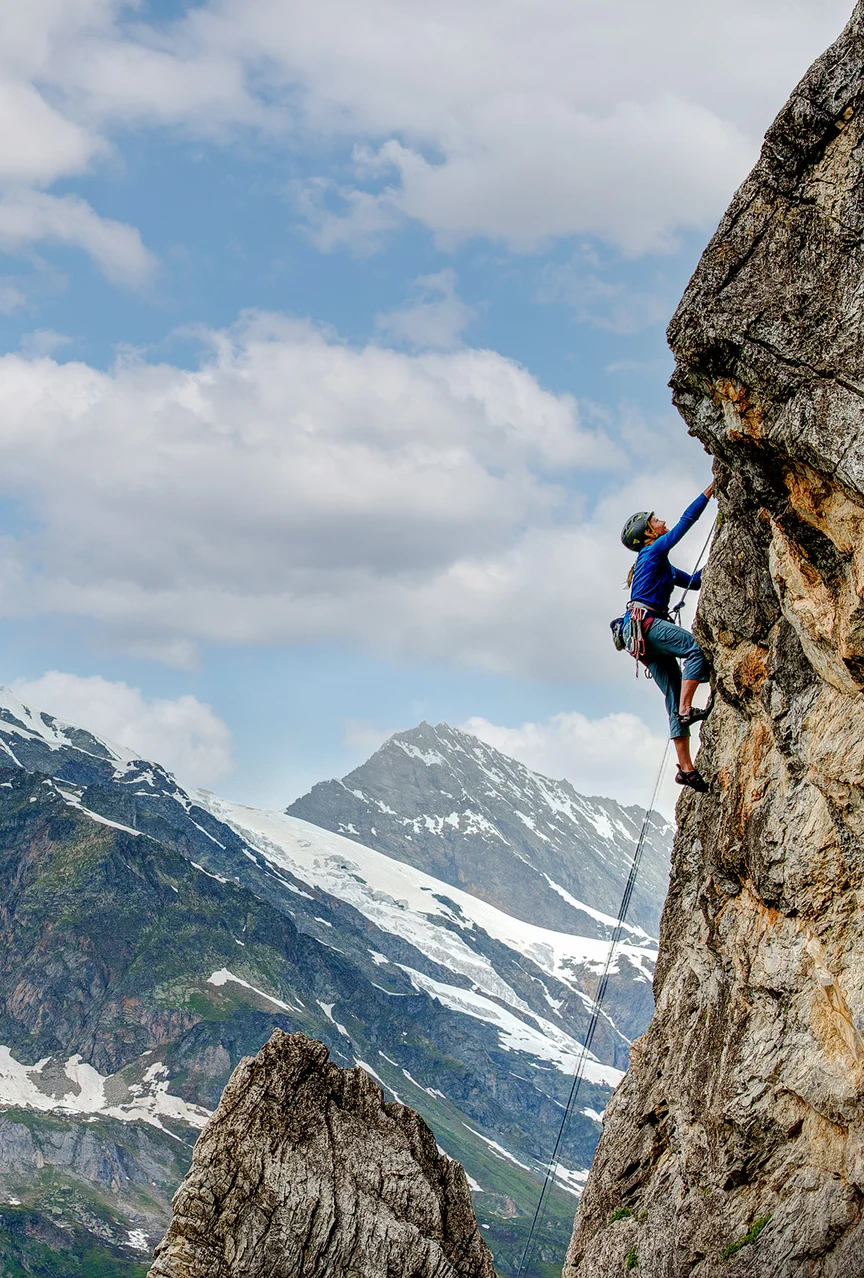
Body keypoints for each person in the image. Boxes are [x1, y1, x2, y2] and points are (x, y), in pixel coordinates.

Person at [620, 483, 714, 793]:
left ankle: (686, 769)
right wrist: (708, 493)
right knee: (695, 649)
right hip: (646, 623)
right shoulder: (652, 549)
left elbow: (697, 582)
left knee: (672, 694)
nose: (661, 521)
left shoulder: (663, 566)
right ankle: (687, 710)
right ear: (649, 533)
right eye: (655, 520)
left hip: (639, 633)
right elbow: (686, 523)